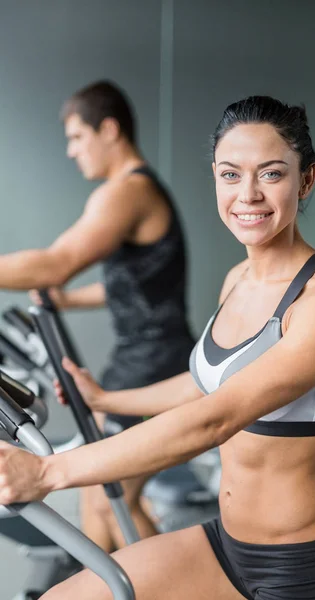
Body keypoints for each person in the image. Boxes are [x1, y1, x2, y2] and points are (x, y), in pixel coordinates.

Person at [0, 95, 315, 599]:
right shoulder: (237, 280)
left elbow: (216, 418)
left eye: (270, 174)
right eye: (229, 174)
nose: (248, 194)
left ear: (304, 179)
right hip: (227, 548)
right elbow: (205, 385)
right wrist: (107, 399)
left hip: (306, 569)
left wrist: (50, 472)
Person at [0, 80, 195, 547]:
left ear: (108, 129)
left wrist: (53, 282)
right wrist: (63, 300)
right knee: (102, 496)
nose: (71, 151)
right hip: (146, 361)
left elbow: (55, 264)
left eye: (76, 137)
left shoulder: (126, 192)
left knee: (117, 495)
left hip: (153, 366)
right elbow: (130, 288)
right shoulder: (134, 192)